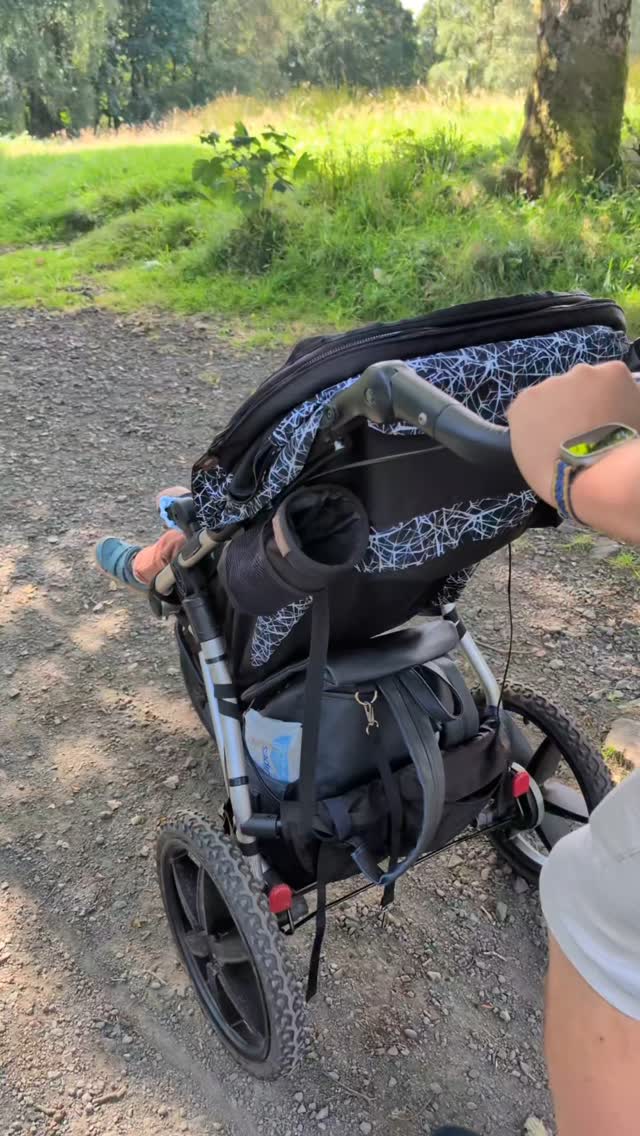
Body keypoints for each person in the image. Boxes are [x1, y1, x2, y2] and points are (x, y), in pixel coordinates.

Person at [97, 361, 640, 1136]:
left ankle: (137, 560)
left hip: (302, 620)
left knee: (182, 566)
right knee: (195, 550)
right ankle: (144, 557)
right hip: (396, 602)